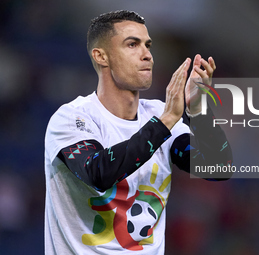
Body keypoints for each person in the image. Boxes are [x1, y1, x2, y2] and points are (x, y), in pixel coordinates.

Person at [44, 10, 232, 255]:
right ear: (101, 56)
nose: (147, 55)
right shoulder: (72, 118)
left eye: (148, 45)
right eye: (132, 44)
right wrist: (165, 122)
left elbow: (218, 168)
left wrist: (199, 110)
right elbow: (98, 173)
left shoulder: (159, 114)